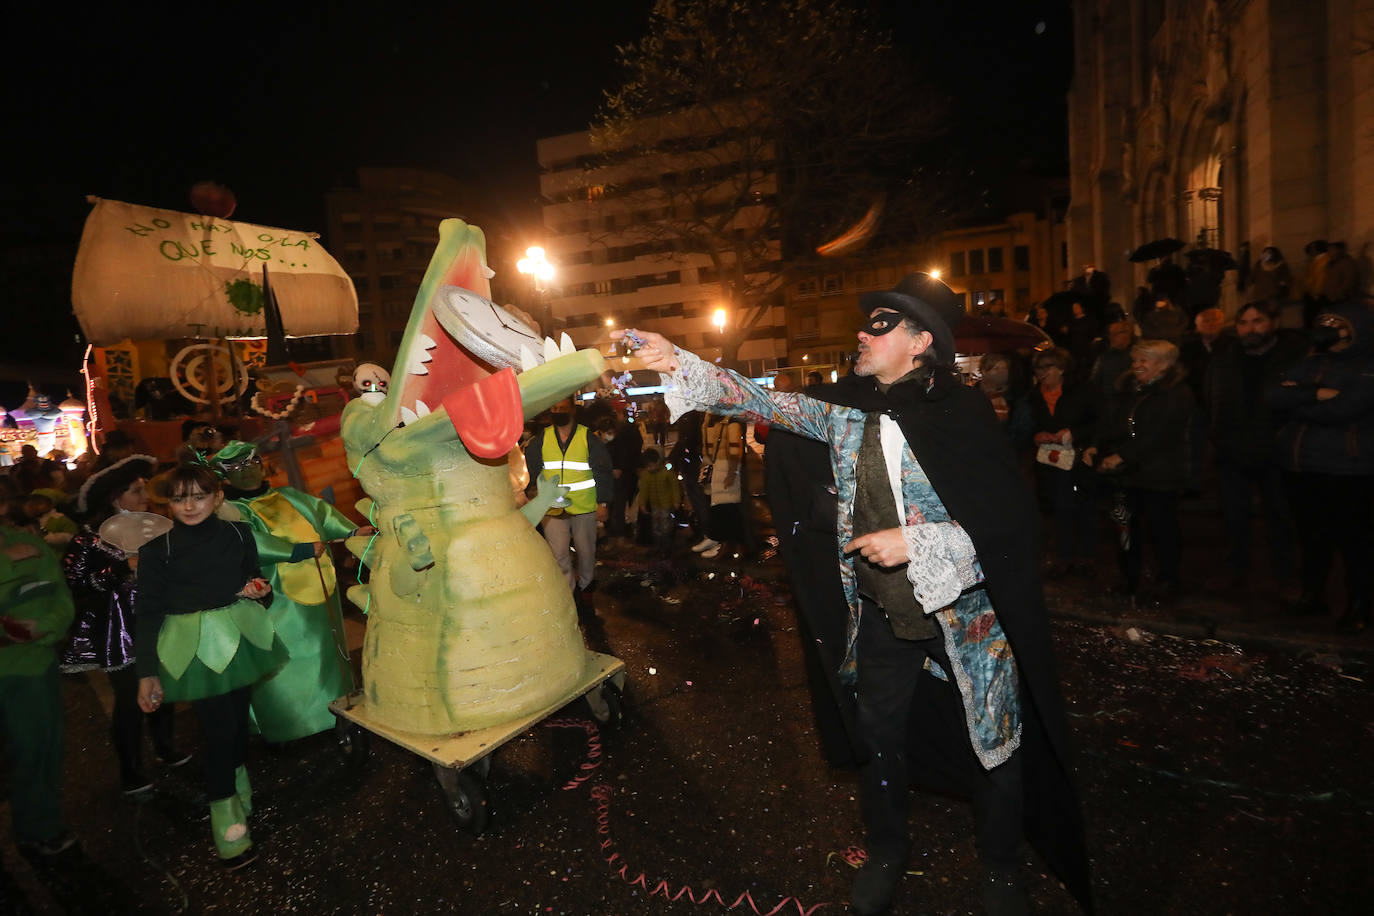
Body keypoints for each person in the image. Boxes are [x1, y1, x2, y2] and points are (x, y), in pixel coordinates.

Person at [613, 272, 1091, 916]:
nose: (862, 333)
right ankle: (888, 848)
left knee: (992, 734)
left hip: (966, 613)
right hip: (879, 613)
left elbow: (1008, 522)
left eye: (882, 324)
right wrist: (674, 358)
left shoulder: (964, 411)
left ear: (922, 341)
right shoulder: (842, 410)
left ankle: (1002, 865)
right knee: (879, 733)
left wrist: (920, 542)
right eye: (866, 323)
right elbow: (760, 400)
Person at [135, 463, 288, 869]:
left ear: (218, 498)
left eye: (198, 495)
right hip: (194, 650)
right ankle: (227, 823)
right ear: (167, 503)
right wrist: (146, 672)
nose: (189, 505)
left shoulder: (239, 534)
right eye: (179, 497)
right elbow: (147, 612)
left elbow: (253, 579)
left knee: (236, 726)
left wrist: (261, 591)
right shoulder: (157, 551)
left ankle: (238, 788)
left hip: (241, 639)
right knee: (220, 733)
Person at [211, 441, 373, 742]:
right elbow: (249, 543)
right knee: (287, 654)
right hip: (275, 596)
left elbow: (322, 515)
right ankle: (293, 720)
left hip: (319, 587)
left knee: (326, 647)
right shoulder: (229, 512)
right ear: (224, 476)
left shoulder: (287, 496)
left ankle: (337, 708)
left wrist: (351, 531)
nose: (247, 471)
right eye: (236, 468)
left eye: (251, 462)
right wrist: (295, 551)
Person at [62, 454, 188, 795]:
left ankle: (165, 747)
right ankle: (131, 770)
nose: (144, 496)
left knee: (164, 688)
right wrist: (120, 570)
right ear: (115, 498)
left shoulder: (155, 525)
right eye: (135, 491)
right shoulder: (88, 539)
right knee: (131, 700)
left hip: (158, 622)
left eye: (143, 489)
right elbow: (76, 582)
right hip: (119, 630)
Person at [1267, 301, 1374, 631]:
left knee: (1354, 541)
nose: (1327, 327)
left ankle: (1360, 606)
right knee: (1311, 538)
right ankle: (1313, 595)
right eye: (1324, 320)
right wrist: (1318, 393)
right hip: (1301, 465)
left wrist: (1299, 401)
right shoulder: (1311, 362)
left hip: (1348, 469)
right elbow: (1273, 397)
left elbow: (1346, 409)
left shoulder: (1366, 367)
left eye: (1336, 322)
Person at [1202, 302, 1307, 596]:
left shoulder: (1294, 355)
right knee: (1234, 516)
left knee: (1280, 516)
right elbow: (1211, 396)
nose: (1250, 328)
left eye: (1258, 321)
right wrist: (1219, 435)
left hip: (1276, 449)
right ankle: (1237, 569)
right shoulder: (1224, 358)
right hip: (1232, 449)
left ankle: (1285, 575)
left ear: (1273, 321)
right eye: (1244, 322)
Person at [1084, 340, 1196, 605]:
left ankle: (1168, 581)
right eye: (1135, 360)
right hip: (1126, 476)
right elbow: (1115, 423)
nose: (1136, 366)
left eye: (1144, 360)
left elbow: (1162, 434)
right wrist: (1095, 445)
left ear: (1165, 365)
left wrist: (1123, 455)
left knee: (1162, 530)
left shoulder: (1177, 393)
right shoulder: (1130, 390)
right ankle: (1129, 579)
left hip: (1159, 474)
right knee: (1124, 528)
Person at [1, 482, 78, 859]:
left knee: (39, 748)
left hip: (31, 665)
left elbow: (60, 598)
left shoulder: (29, 545)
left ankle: (38, 827)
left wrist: (40, 626)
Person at [1013, 348, 1098, 578]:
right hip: (1050, 462)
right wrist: (1036, 436)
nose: (1042, 374)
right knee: (1059, 509)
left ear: (1061, 369)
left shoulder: (1082, 392)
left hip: (1079, 461)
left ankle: (1086, 557)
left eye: (1046, 368)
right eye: (1038, 369)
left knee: (1082, 508)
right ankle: (1065, 557)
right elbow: (1025, 427)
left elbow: (1100, 422)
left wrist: (1073, 433)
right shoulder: (1032, 396)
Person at [523, 396, 613, 616]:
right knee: (559, 555)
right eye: (554, 408)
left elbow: (602, 471)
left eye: (562, 408)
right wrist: (534, 492)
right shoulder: (541, 439)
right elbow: (532, 469)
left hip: (583, 507)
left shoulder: (587, 438)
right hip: (552, 509)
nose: (558, 411)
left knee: (586, 553)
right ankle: (568, 600)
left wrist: (602, 503)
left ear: (572, 410)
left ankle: (586, 592)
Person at [699, 413, 749, 559]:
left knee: (730, 509)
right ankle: (725, 544)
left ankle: (736, 545)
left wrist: (732, 472)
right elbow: (708, 448)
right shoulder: (710, 421)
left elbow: (735, 449)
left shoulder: (730, 421)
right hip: (717, 469)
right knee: (720, 509)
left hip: (726, 468)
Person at [599, 411, 643, 541]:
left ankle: (618, 535)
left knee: (618, 508)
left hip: (619, 482)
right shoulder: (596, 444)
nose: (610, 435)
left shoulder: (619, 443)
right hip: (607, 483)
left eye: (612, 432)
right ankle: (612, 533)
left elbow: (620, 466)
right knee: (608, 508)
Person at [636, 448, 680, 553]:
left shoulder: (667, 472)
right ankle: (657, 546)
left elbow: (675, 487)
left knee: (666, 527)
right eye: (647, 466)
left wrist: (676, 501)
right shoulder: (646, 475)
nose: (649, 468)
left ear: (657, 462)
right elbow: (644, 490)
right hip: (655, 505)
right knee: (656, 527)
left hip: (667, 505)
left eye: (651, 465)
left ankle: (666, 547)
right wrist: (642, 504)